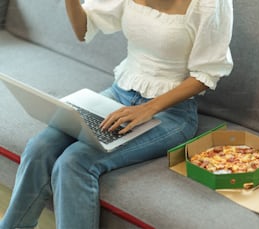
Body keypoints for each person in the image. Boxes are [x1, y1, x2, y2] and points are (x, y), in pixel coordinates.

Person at [0, 0, 233, 228]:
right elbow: (83, 30)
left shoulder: (211, 4)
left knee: (74, 162)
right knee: (39, 146)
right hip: (118, 95)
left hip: (171, 113)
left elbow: (206, 75)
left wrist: (147, 109)